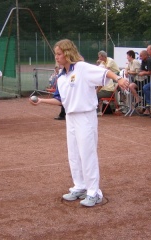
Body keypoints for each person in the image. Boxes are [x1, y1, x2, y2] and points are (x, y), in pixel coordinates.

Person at [29, 39, 129, 207]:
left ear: (68, 54)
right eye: (56, 54)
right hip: (71, 117)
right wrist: (40, 101)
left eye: (59, 54)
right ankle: (80, 186)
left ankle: (94, 192)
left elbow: (104, 73)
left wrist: (119, 78)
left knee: (87, 154)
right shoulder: (61, 76)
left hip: (86, 116)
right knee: (74, 154)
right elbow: (60, 100)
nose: (57, 57)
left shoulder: (82, 68)